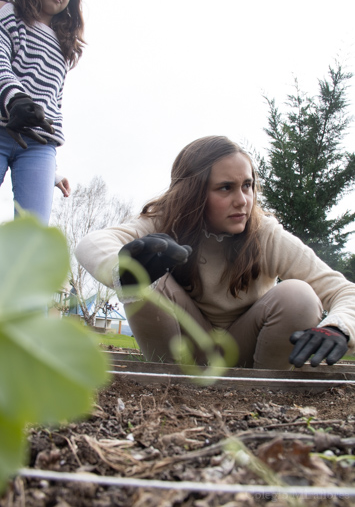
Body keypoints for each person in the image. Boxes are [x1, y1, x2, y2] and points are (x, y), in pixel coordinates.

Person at [75, 136, 355, 369]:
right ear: (193, 193)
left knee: (299, 295)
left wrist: (337, 327)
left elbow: (343, 291)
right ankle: (168, 385)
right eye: (225, 188)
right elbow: (91, 243)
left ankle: (266, 392)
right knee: (141, 272)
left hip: (251, 358)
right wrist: (121, 269)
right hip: (184, 357)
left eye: (247, 186)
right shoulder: (167, 221)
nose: (243, 200)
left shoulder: (265, 234)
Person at [0, 0, 84, 223]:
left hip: (38, 146)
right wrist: (16, 100)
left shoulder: (63, 45)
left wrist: (53, 173)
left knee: (34, 230)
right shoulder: (9, 14)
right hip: (3, 127)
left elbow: (53, 101)